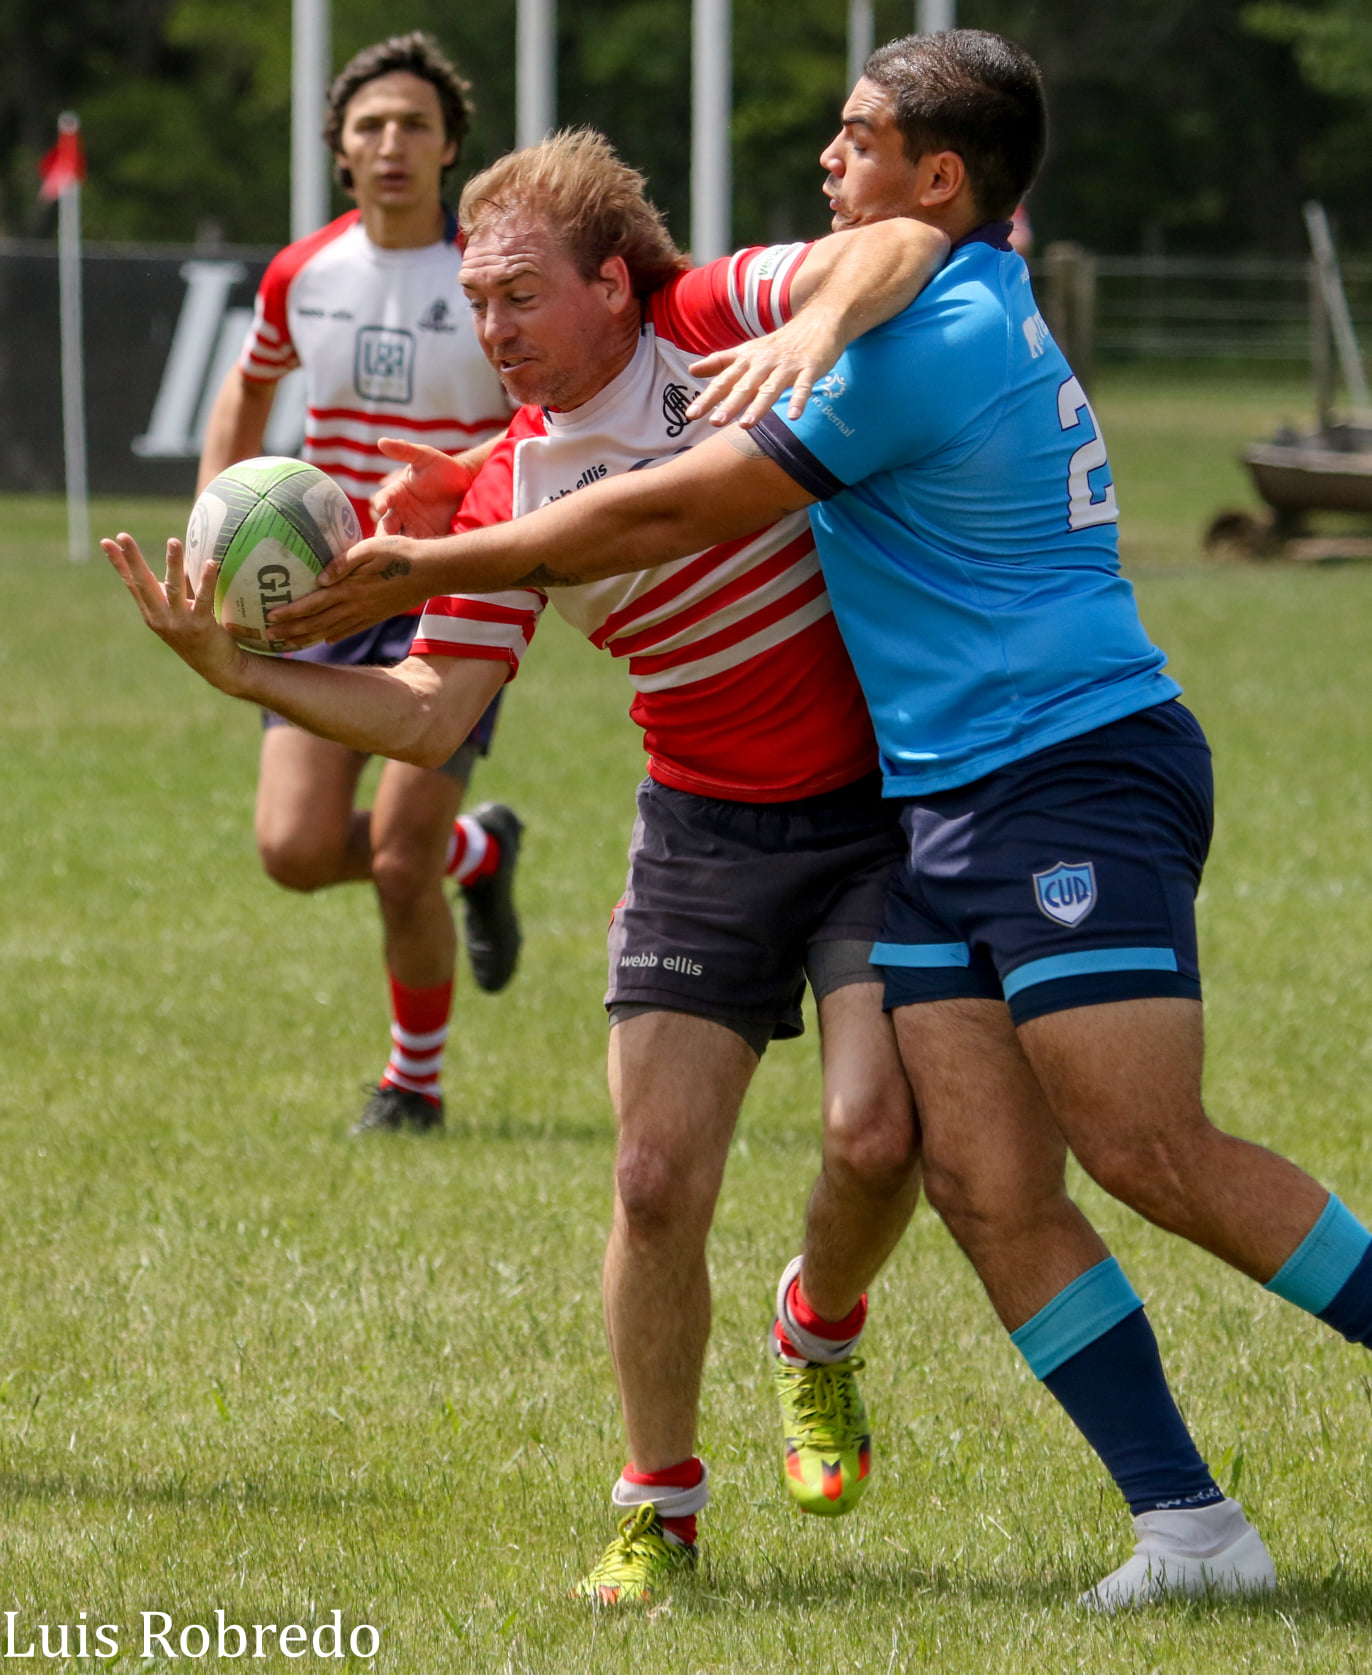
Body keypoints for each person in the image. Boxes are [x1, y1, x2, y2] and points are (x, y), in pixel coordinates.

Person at [302, 29, 1372, 1609]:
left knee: (1145, 1140)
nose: (827, 164)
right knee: (985, 1182)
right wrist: (461, 490)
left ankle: (868, 1356)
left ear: (940, 179)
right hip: (937, 795)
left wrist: (436, 560)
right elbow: (617, 448)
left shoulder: (919, 332)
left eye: (858, 138)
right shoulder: (889, 296)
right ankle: (1193, 1529)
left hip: (1063, 755)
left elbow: (674, 500)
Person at [104, 129, 954, 1602]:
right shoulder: (500, 496)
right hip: (702, 826)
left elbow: (904, 248)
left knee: (878, 1138)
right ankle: (660, 1504)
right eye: (474, 306)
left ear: (616, 287)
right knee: (647, 1177)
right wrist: (244, 675)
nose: (487, 332)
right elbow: (431, 713)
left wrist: (817, 317)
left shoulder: (715, 320)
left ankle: (817, 1325)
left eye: (516, 298)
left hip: (882, 809)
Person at [196, 32, 523, 1136]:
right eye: (370, 126)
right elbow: (244, 396)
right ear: (342, 151)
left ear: (448, 149)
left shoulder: (488, 270)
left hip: (451, 581)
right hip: (322, 584)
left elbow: (541, 412)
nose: (392, 144)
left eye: (414, 125)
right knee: (291, 852)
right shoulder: (305, 270)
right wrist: (212, 526)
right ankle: (479, 849)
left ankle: (412, 1087)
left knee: (394, 859)